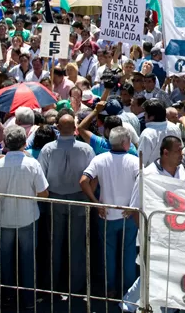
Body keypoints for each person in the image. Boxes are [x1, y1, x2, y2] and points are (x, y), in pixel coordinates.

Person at [0, 126, 50, 309]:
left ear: (5, 143)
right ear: (24, 144)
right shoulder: (32, 164)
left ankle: (8, 297)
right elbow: (43, 193)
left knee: (5, 260)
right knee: (28, 259)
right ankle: (28, 299)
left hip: (3, 218)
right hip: (27, 218)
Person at [80, 127, 141, 298]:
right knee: (129, 253)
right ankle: (129, 291)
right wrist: (132, 205)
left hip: (106, 214)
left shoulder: (100, 159)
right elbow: (141, 184)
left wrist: (96, 203)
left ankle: (110, 289)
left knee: (108, 254)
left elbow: (84, 181)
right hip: (128, 215)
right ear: (125, 143)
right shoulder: (135, 161)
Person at [37, 114, 95, 294]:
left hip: (55, 199)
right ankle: (76, 285)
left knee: (54, 242)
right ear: (75, 128)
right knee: (77, 244)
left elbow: (41, 176)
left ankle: (53, 282)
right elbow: (93, 175)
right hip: (78, 199)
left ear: (58, 128)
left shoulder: (47, 149)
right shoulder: (86, 149)